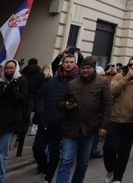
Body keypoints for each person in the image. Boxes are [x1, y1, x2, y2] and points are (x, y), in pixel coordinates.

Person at [57, 56, 111, 183]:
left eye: (88, 68)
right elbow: (59, 102)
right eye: (83, 68)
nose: (85, 70)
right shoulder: (72, 83)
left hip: (90, 129)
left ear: (93, 69)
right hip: (71, 128)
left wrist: (104, 126)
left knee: (83, 163)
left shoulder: (102, 83)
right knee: (66, 160)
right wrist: (66, 105)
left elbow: (107, 106)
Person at [34, 53, 79, 183]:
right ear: (62, 63)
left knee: (54, 152)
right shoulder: (53, 80)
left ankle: (48, 177)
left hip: (62, 123)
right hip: (46, 120)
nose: (69, 64)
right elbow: (41, 96)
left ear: (75, 64)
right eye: (66, 62)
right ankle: (44, 169)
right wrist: (41, 111)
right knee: (37, 149)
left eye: (71, 62)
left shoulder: (77, 81)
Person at [0, 60, 28, 183]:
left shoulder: (21, 81)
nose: (8, 70)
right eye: (7, 68)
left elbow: (22, 100)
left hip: (9, 123)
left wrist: (13, 91)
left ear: (16, 69)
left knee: (1, 155)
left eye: (11, 68)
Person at [103, 56, 133, 183]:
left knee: (124, 152)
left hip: (129, 120)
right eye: (131, 64)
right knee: (110, 148)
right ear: (128, 65)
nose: (132, 67)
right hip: (114, 118)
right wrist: (126, 78)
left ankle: (118, 178)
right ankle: (110, 169)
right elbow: (112, 91)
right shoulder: (119, 76)